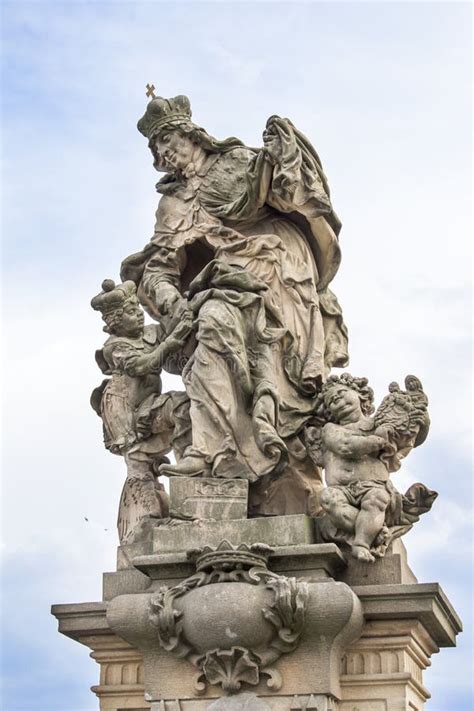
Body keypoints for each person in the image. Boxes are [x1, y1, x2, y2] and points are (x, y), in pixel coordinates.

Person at [121, 94, 349, 516]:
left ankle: (273, 447)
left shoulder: (239, 162)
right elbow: (158, 268)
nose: (165, 152)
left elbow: (289, 192)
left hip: (278, 269)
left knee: (284, 374)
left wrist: (285, 157)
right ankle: (213, 453)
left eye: (169, 140)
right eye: (157, 149)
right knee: (210, 324)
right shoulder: (172, 206)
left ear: (192, 136)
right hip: (225, 285)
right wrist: (171, 300)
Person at [90, 278, 191, 543]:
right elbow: (141, 365)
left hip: (148, 401)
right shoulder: (116, 347)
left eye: (137, 309)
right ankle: (139, 525)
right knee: (139, 465)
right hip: (124, 408)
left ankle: (187, 475)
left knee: (182, 410)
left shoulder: (151, 333)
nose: (137, 315)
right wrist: (172, 342)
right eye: (129, 313)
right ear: (114, 323)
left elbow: (173, 334)